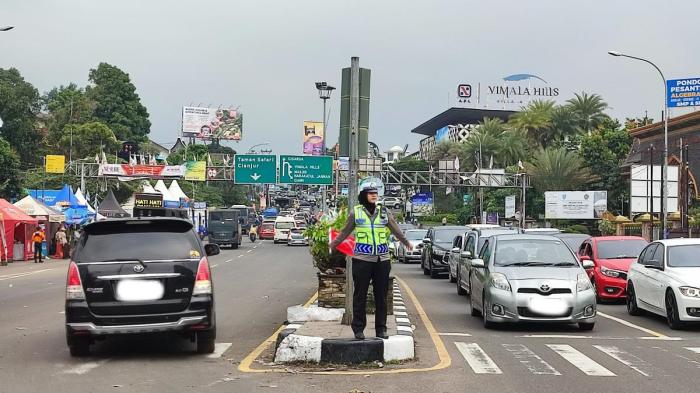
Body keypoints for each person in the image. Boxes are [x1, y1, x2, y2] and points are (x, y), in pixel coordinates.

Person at [330, 183, 412, 340]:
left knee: (381, 295)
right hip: (362, 259)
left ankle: (381, 329)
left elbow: (395, 229)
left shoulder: (384, 211)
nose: (374, 196)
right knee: (360, 295)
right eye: (370, 193)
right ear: (364, 195)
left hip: (382, 259)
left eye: (376, 193)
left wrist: (406, 242)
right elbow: (345, 232)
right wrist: (333, 245)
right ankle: (358, 329)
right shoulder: (357, 213)